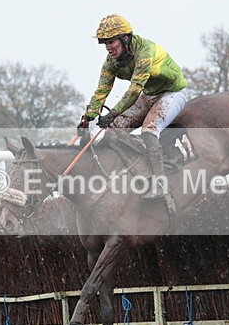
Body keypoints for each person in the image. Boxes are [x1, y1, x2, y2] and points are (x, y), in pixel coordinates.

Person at [80, 14, 189, 199]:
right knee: (112, 131)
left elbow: (134, 90)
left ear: (125, 38)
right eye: (105, 43)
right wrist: (88, 116)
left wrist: (112, 113)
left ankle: (160, 185)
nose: (108, 47)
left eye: (111, 42)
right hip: (149, 94)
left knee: (149, 131)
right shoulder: (110, 62)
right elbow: (102, 90)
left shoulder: (144, 50)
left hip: (172, 93)